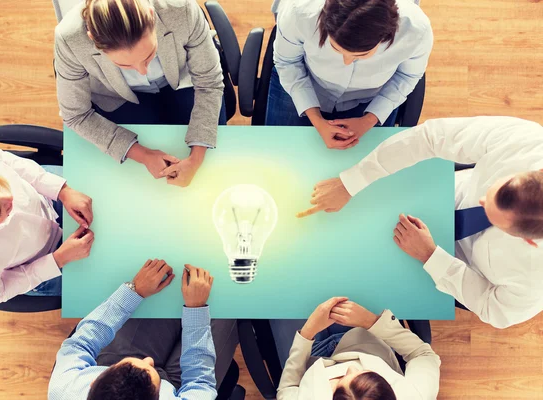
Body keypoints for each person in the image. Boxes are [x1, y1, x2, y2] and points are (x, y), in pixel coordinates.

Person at [297, 116, 543, 329]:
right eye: (492, 192)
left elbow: (493, 309)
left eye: (492, 216)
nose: (481, 200)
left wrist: (430, 257)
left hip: (447, 267)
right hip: (437, 191)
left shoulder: (536, 279)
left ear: (530, 241)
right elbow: (431, 137)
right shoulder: (528, 142)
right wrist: (350, 182)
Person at [54, 0, 226, 188]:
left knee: (212, 167)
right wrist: (142, 155)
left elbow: (209, 83)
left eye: (150, 55)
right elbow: (76, 115)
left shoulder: (181, 8)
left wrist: (196, 159)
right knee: (134, 179)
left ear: (152, 16)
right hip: (117, 96)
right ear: (92, 38)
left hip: (181, 80)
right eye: (125, 65)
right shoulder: (69, 38)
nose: (141, 71)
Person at [48, 260, 238, 400]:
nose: (149, 360)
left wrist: (134, 291)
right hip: (182, 389)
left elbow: (81, 342)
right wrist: (196, 310)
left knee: (163, 291)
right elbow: (200, 384)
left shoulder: (65, 388)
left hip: (114, 361)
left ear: (93, 383)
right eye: (150, 365)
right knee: (228, 302)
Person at [267, 0, 433, 151]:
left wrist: (368, 120)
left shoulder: (416, 29)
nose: (347, 61)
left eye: (362, 55)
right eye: (336, 49)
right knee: (279, 151)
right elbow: (288, 63)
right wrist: (316, 120)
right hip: (305, 80)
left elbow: (407, 76)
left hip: (372, 97)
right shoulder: (298, 11)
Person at [0, 140, 94, 305]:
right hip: (45, 259)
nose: (9, 197)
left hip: (44, 193)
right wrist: (58, 260)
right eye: (0, 211)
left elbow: (12, 163)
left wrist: (63, 191)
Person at [273, 297, 440, 399]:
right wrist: (371, 321)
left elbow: (288, 388)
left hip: (310, 354)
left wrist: (307, 333)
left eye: (339, 381)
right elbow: (421, 354)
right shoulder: (414, 396)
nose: (352, 367)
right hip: (364, 334)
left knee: (278, 294)